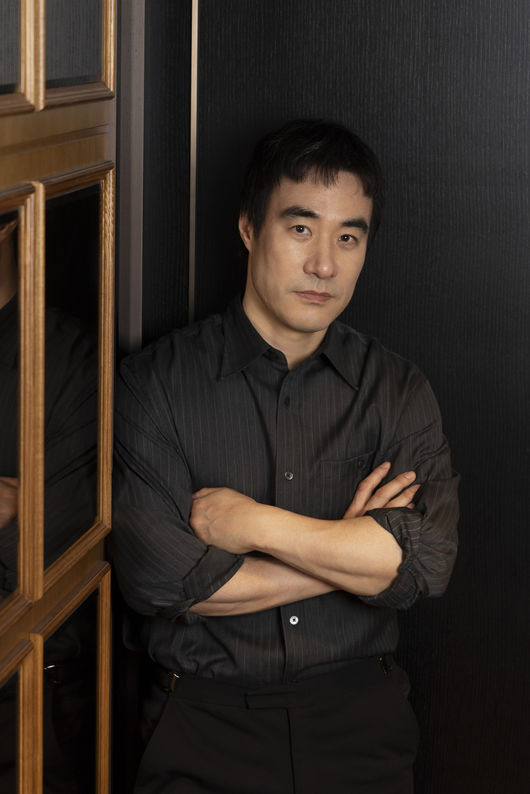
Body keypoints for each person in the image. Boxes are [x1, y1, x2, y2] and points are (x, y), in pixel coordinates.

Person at [112, 119, 459, 794]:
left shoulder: (397, 389)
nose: (324, 265)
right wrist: (350, 553)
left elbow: (429, 562)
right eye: (301, 228)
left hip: (361, 722)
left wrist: (253, 525)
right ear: (249, 229)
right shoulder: (156, 384)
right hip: (202, 724)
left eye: (348, 237)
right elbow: (162, 582)